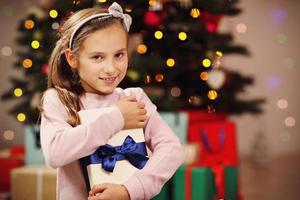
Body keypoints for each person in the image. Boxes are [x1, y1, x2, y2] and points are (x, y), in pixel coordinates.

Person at [40, 2, 185, 200]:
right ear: (72, 59)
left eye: (119, 55)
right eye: (98, 57)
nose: (111, 68)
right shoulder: (59, 100)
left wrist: (130, 189)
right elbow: (55, 153)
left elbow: (172, 149)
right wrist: (117, 118)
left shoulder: (134, 99)